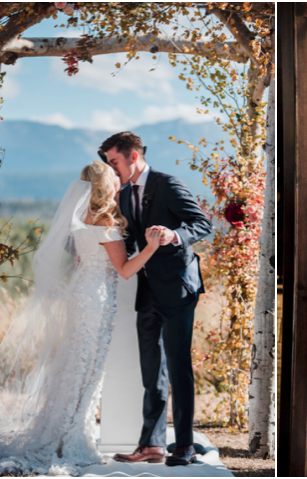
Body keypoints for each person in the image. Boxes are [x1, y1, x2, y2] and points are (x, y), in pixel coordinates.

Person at [0, 161, 162, 476]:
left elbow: (84, 254)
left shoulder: (80, 218)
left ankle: (58, 430)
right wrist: (150, 248)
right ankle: (74, 437)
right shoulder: (107, 221)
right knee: (87, 369)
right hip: (97, 299)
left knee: (73, 364)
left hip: (80, 292)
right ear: (106, 187)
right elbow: (124, 270)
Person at [99, 132, 213, 467]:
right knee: (152, 370)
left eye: (115, 162)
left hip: (178, 290)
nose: (112, 170)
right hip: (147, 291)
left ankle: (185, 446)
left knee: (178, 368)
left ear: (133, 157)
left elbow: (203, 224)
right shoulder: (122, 194)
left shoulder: (167, 184)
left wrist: (175, 235)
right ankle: (151, 444)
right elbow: (131, 239)